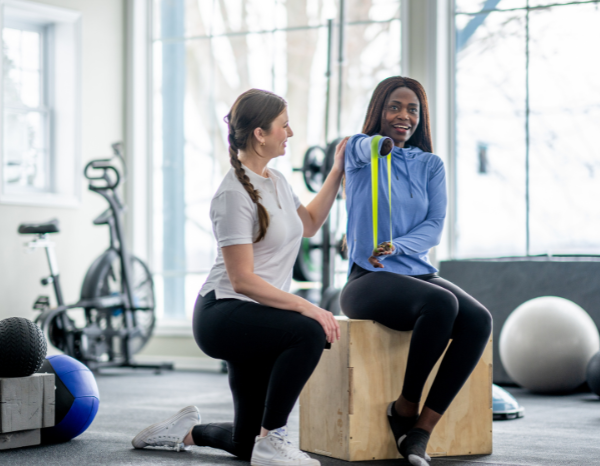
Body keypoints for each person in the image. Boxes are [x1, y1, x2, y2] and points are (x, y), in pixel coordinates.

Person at [131, 88, 347, 466]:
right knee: (309, 331)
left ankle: (183, 431)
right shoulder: (232, 194)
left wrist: (336, 172)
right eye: (284, 125)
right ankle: (274, 439)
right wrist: (308, 308)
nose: (290, 133)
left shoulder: (276, 181)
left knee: (245, 443)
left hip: (256, 316)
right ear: (260, 134)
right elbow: (242, 280)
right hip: (225, 315)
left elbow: (309, 224)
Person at [339, 76, 492, 466]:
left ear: (421, 117)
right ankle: (405, 408)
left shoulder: (430, 165)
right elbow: (358, 145)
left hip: (418, 273)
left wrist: (398, 245)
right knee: (441, 304)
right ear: (379, 111)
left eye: (412, 110)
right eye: (394, 107)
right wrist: (380, 144)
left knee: (478, 320)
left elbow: (434, 225)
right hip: (367, 279)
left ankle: (420, 431)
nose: (403, 116)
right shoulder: (361, 153)